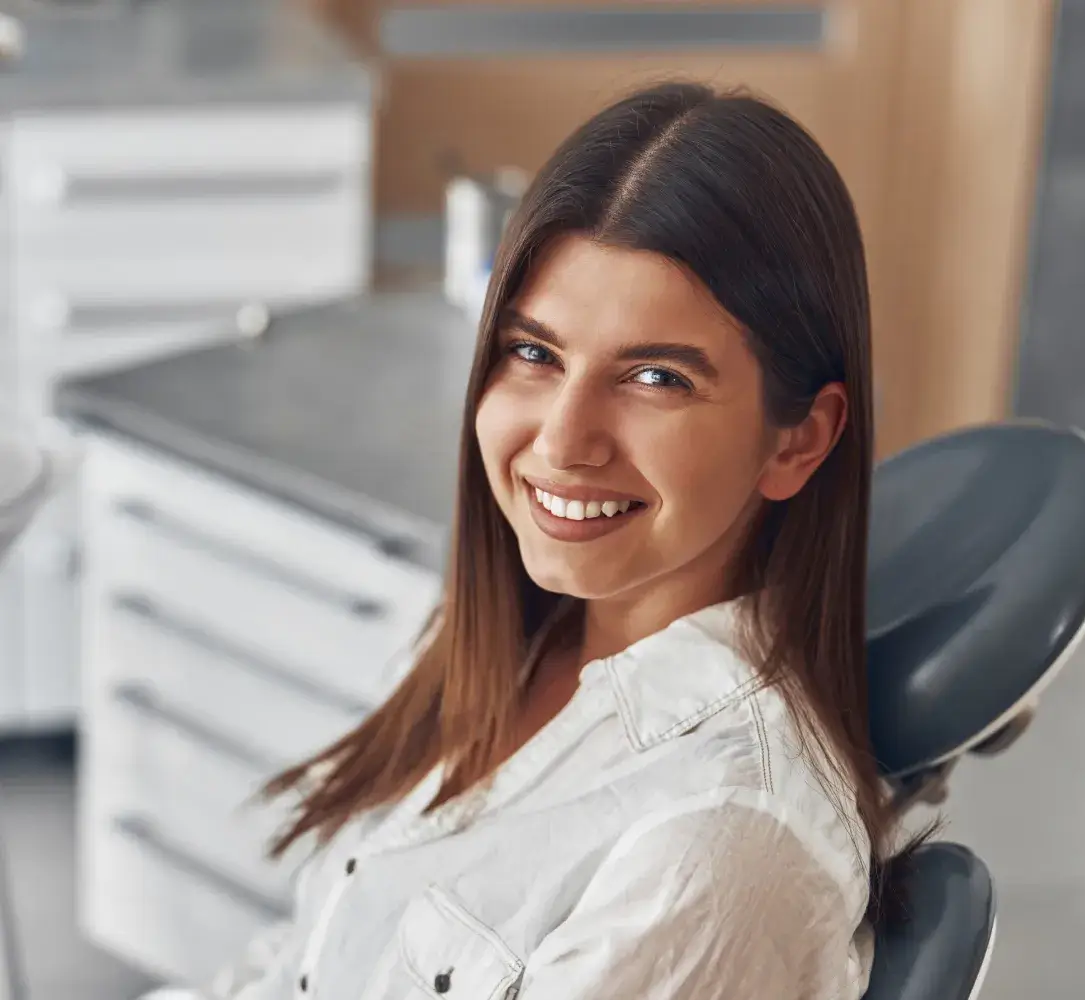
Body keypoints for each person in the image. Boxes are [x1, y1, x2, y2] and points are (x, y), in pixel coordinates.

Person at [156, 80, 918, 1000]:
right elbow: (304, 964)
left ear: (798, 439)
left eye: (655, 377)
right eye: (534, 354)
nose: (561, 441)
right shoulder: (518, 639)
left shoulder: (719, 847)